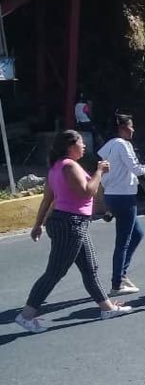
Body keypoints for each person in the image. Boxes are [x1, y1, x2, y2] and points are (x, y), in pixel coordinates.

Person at [15, 131, 133, 333]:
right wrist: (99, 171)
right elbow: (88, 191)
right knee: (55, 271)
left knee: (90, 267)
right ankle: (26, 315)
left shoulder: (56, 167)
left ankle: (107, 308)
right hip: (70, 223)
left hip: (72, 222)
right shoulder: (69, 166)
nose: (84, 146)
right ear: (70, 146)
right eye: (81, 143)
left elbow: (47, 200)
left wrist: (38, 224)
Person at [98, 114, 145, 296]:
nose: (133, 130)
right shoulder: (123, 145)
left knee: (137, 234)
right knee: (123, 242)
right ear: (122, 128)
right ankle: (117, 283)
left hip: (113, 195)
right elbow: (137, 169)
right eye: (130, 126)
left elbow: (106, 165)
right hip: (124, 197)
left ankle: (122, 274)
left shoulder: (110, 145)